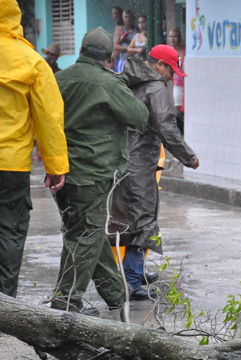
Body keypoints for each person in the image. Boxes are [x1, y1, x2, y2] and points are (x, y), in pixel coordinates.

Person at [52, 27, 149, 316]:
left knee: (86, 231)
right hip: (93, 173)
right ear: (108, 57)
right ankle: (66, 303)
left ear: (81, 51)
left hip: (61, 171)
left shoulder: (58, 79)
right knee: (85, 235)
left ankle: (115, 294)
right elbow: (139, 116)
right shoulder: (107, 83)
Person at [116, 45, 199, 300]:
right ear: (159, 65)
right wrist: (189, 156)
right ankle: (131, 280)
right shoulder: (155, 88)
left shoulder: (129, 81)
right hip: (140, 162)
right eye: (170, 70)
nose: (170, 76)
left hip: (123, 158)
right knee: (144, 219)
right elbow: (167, 127)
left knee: (130, 218)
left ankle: (134, 271)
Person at [0, 1, 69, 298]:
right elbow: (49, 118)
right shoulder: (31, 61)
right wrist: (56, 167)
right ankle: (5, 306)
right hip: (11, 165)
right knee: (10, 232)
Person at [167, 27, 186, 131]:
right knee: (178, 107)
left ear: (179, 37)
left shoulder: (185, 50)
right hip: (177, 83)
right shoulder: (169, 51)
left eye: (175, 36)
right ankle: (182, 129)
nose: (173, 38)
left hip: (186, 84)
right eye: (170, 36)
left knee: (186, 107)